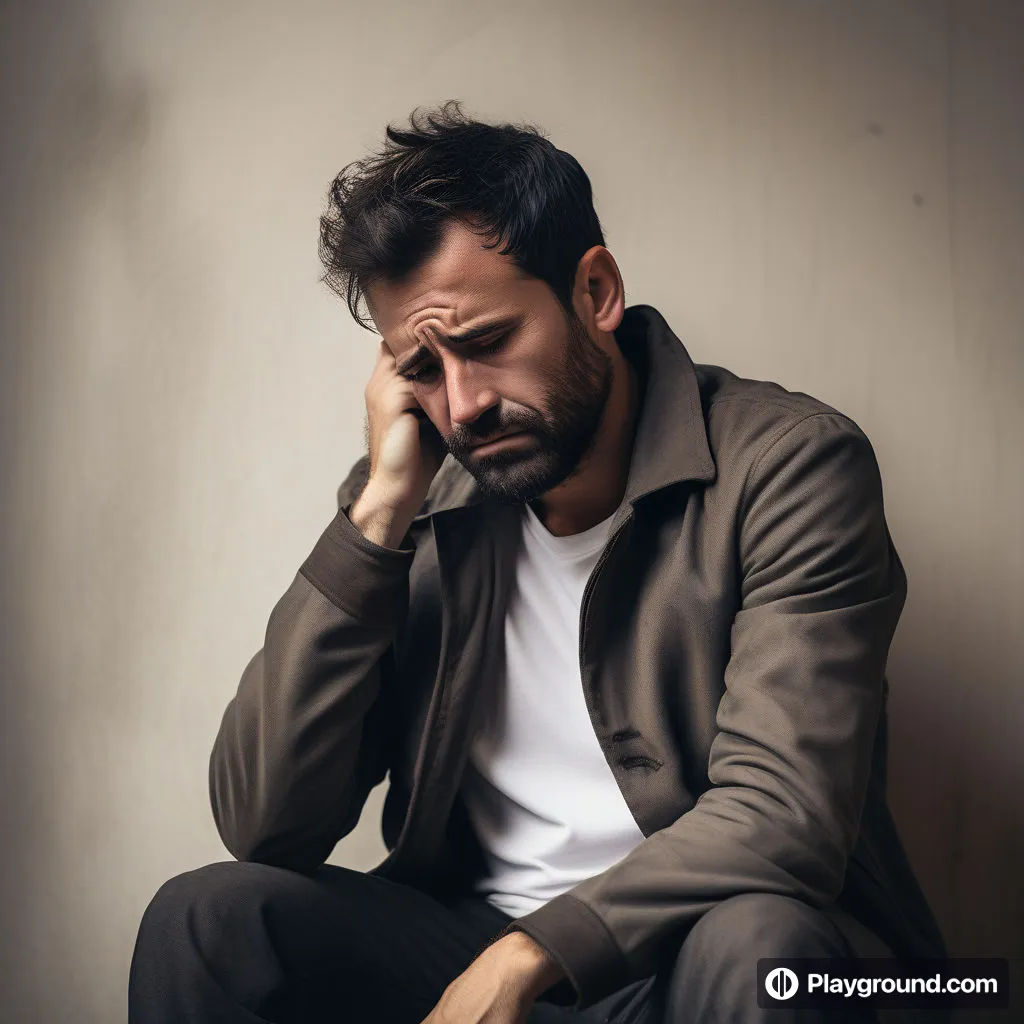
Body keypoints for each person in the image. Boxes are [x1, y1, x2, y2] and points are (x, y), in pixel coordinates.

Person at [128, 100, 947, 1024]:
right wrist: (380, 515)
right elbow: (264, 824)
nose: (465, 404)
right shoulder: (416, 503)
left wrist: (529, 957)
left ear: (595, 293)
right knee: (206, 918)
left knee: (770, 952)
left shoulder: (791, 464)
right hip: (466, 933)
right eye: (423, 370)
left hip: (699, 954)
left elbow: (785, 816)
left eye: (485, 343)